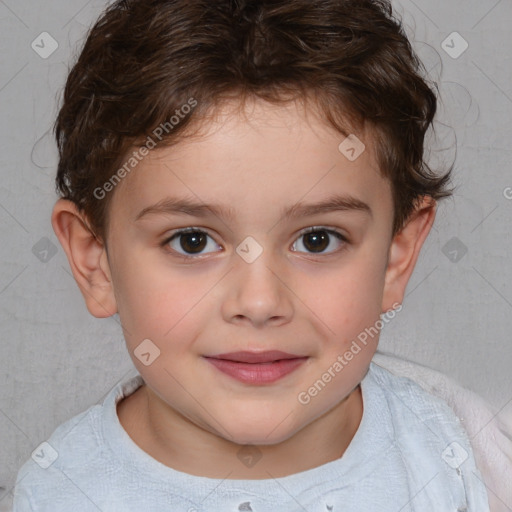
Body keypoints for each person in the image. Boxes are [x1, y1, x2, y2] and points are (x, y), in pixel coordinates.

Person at [12, 0, 492, 510]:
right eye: (192, 241)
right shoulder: (62, 490)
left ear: (398, 256)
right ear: (96, 262)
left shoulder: (453, 456)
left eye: (317, 240)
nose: (260, 302)